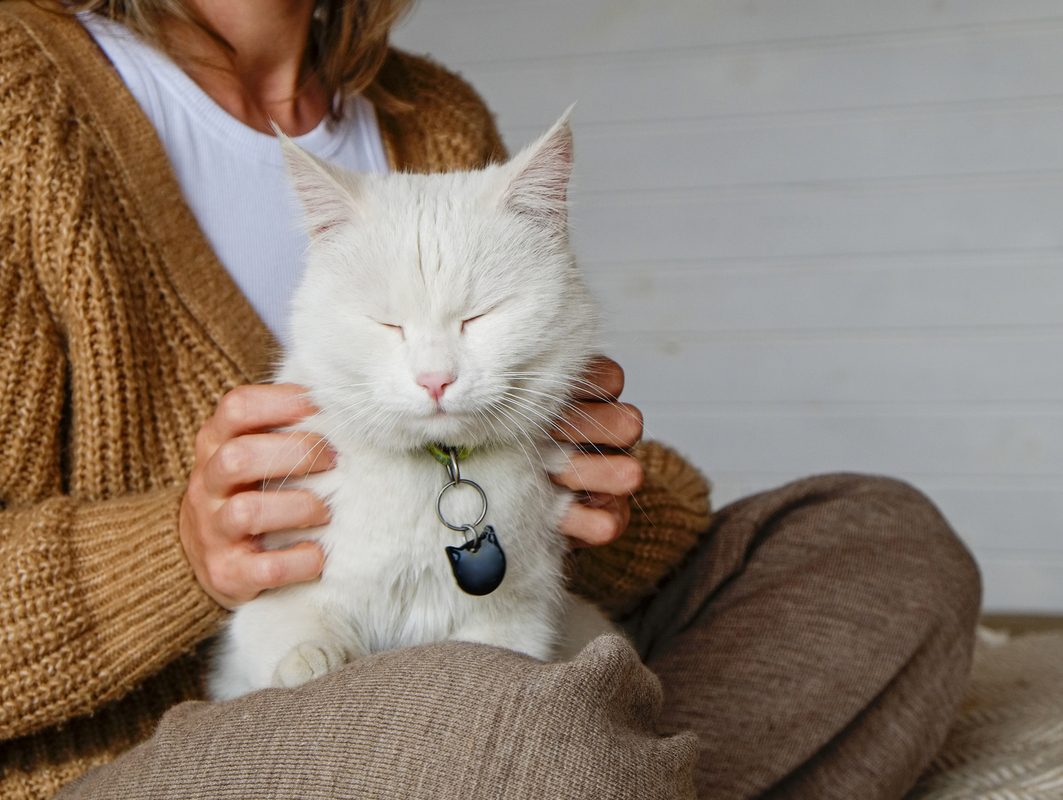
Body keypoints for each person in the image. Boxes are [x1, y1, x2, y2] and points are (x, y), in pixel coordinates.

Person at [0, 1, 982, 798]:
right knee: (521, 726)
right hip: (172, 743)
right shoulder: (23, 90)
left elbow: (539, 517)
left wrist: (597, 496)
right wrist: (177, 555)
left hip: (483, 649)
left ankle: (590, 765)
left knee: (883, 545)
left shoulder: (435, 113)